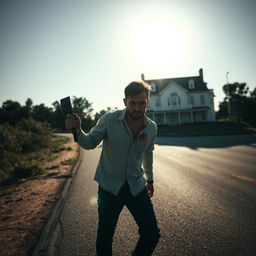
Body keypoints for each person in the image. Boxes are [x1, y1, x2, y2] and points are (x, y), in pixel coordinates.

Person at [66, 81, 160, 256]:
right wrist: (78, 130)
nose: (137, 108)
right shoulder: (109, 120)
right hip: (109, 188)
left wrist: (150, 180)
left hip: (136, 187)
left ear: (148, 101)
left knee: (152, 234)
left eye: (141, 103)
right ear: (125, 102)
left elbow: (148, 154)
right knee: (105, 236)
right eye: (133, 103)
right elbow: (90, 143)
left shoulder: (151, 128)